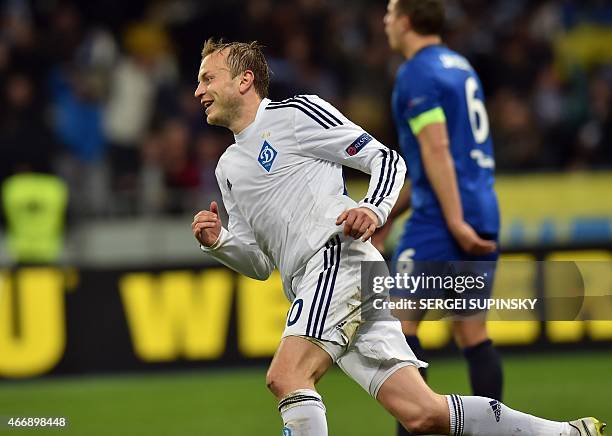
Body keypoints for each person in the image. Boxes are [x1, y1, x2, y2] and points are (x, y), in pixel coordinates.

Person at [192, 38, 605, 436]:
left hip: (337, 261)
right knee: (422, 413)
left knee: (288, 376)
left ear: (244, 80)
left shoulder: (296, 114)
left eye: (208, 79)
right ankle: (565, 433)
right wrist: (220, 243)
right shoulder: (227, 168)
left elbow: (385, 158)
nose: (198, 91)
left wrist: (373, 207)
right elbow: (260, 263)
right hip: (313, 282)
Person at [375, 3, 503, 435]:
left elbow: (436, 150)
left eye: (391, 12)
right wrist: (388, 213)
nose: (386, 21)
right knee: (473, 335)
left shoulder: (416, 73)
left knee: (398, 331)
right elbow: (432, 163)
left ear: (407, 21)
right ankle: (495, 429)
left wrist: (453, 222)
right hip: (482, 208)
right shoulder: (460, 67)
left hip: (442, 221)